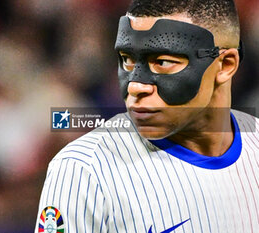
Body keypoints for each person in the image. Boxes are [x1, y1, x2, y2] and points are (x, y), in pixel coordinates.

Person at [35, 0, 259, 232]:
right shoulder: (84, 168)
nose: (135, 86)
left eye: (162, 62)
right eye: (128, 59)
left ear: (225, 65)